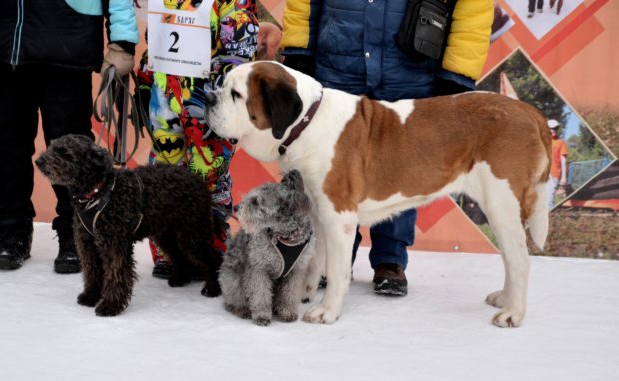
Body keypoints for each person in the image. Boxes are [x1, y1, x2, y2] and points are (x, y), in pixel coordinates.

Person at [280, 0, 493, 296]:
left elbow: (473, 8)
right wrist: (299, 50)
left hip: (410, 68)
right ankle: (331, 259)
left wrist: (457, 74)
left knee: (401, 168)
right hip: (339, 63)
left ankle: (390, 260)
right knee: (330, 171)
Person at [0, 0, 139, 273]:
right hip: (4, 43)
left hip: (68, 41)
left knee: (71, 151)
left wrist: (122, 41)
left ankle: (77, 235)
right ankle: (12, 231)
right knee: (7, 146)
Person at [136, 1, 262, 279]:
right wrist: (146, 74)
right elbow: (156, 31)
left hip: (208, 92)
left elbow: (241, 38)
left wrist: (229, 80)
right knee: (165, 171)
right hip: (165, 88)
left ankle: (208, 247)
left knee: (210, 171)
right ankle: (169, 251)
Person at [547, 119, 568, 209]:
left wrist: (563, 177)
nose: (554, 130)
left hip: (553, 174)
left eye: (555, 128)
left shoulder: (561, 143)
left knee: (548, 200)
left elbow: (563, 161)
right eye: (551, 128)